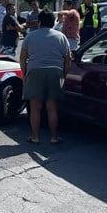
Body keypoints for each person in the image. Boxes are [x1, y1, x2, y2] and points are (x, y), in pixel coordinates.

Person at [20, 9, 71, 145]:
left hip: (35, 72)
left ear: (39, 22)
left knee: (35, 107)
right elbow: (68, 60)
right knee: (52, 107)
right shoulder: (61, 37)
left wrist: (25, 75)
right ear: (53, 22)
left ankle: (35, 137)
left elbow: (23, 58)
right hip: (56, 72)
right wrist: (63, 76)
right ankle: (54, 137)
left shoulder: (30, 36)